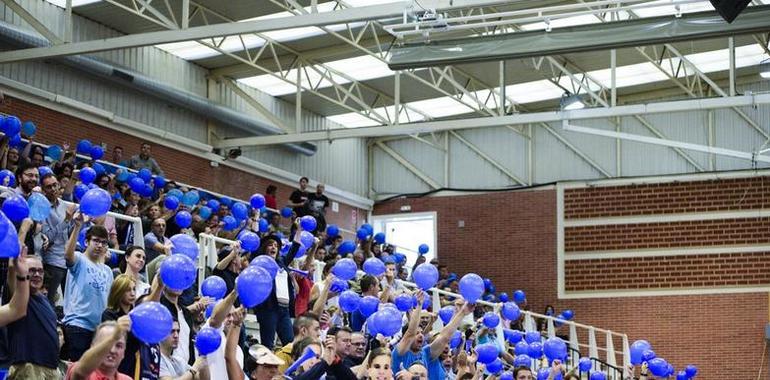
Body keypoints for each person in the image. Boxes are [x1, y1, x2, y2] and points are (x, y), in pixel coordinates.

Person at [62, 215, 113, 361]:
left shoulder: (108, 271)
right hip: (77, 326)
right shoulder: (79, 259)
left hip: (98, 331)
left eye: (104, 243)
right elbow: (67, 255)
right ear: (86, 242)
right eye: (96, 241)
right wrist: (77, 226)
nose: (100, 245)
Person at [6, 249, 61, 379]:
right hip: (29, 367)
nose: (37, 274)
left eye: (40, 271)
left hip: (51, 368)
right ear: (22, 271)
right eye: (32, 270)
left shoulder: (45, 299)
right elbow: (12, 269)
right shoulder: (20, 297)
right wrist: (24, 230)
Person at [253, 226, 305, 350]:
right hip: (268, 308)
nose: (274, 247)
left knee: (290, 345)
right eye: (270, 245)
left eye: (276, 245)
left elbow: (294, 249)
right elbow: (254, 245)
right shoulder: (260, 262)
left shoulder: (282, 262)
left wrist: (299, 230)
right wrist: (256, 220)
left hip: (284, 310)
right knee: (268, 345)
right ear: (264, 247)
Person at [40, 173, 77, 306]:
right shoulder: (41, 207)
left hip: (65, 259)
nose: (54, 189)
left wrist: (76, 222)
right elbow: (47, 237)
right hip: (52, 261)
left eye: (55, 185)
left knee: (65, 303)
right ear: (43, 190)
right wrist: (66, 220)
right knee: (47, 301)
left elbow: (67, 231)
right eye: (49, 187)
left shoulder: (62, 204)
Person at [64, 318, 133, 380]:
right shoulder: (78, 369)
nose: (112, 350)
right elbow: (80, 372)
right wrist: (113, 338)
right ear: (92, 347)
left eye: (118, 346)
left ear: (124, 352)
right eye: (105, 343)